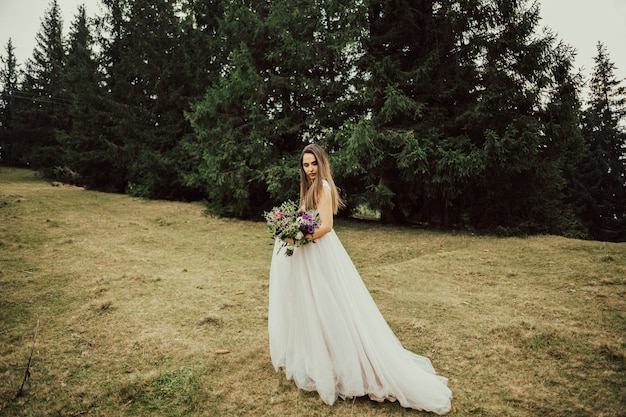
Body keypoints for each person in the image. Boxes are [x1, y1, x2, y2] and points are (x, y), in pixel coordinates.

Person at [268, 143, 452, 414]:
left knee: (332, 306)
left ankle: (351, 363)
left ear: (322, 163)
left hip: (321, 253)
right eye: (306, 165)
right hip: (310, 255)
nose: (309, 169)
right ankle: (324, 356)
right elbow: (306, 218)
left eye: (313, 164)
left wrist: (297, 236)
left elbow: (327, 226)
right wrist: (288, 225)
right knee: (314, 307)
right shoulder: (308, 188)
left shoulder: (325, 188)